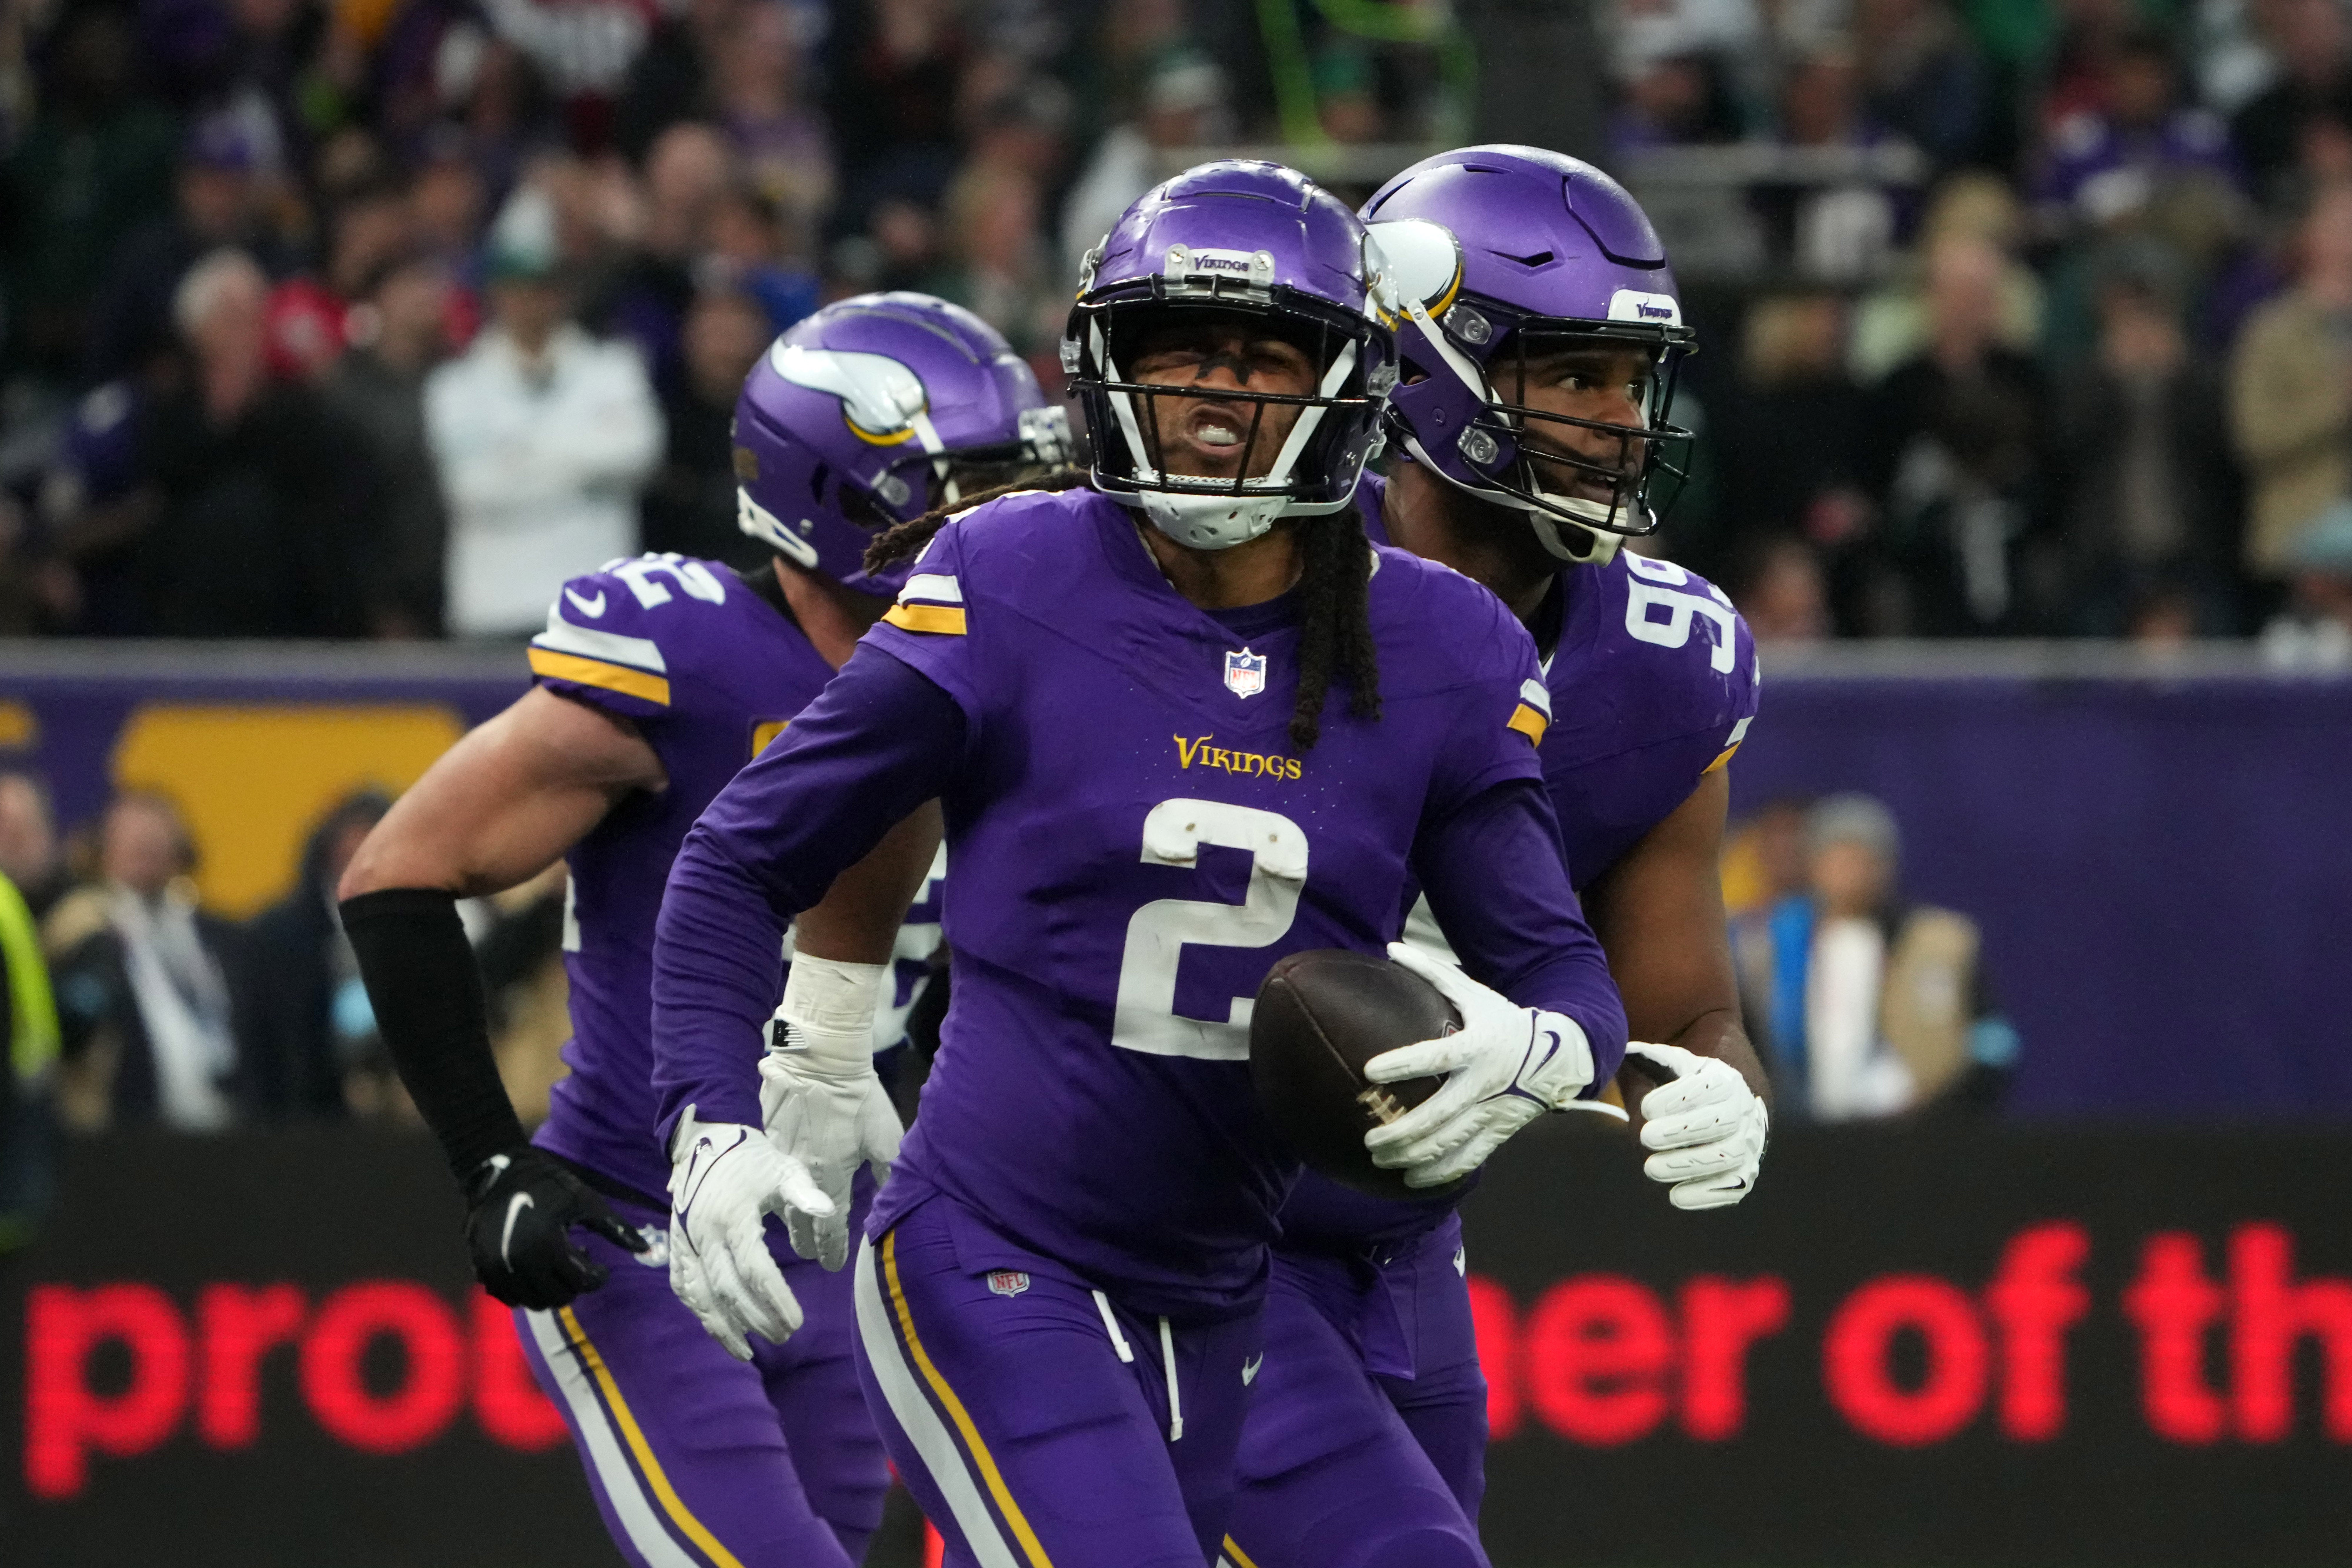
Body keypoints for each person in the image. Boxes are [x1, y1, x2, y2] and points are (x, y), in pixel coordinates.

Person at [646, 161, 1631, 1568]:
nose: (1213, 395)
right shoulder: (1008, 576)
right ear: (1105, 370)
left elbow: (1560, 974)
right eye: (1176, 350)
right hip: (993, 1257)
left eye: (1259, 357)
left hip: (1235, 1291)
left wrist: (1532, 1050)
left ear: (1349, 387)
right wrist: (714, 1120)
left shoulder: (1447, 650)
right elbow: (739, 858)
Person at [339, 291, 1071, 1568]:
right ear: (844, 494)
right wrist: (489, 1161)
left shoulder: (1008, 667)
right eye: (966, 491)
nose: (1003, 524)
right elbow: (397, 872)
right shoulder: (692, 656)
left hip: (843, 1246)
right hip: (646, 1232)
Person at [1217, 147, 1773, 1566]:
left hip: (1398, 1242)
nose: (1614, 421)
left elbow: (1673, 1010)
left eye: (1626, 381)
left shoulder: (1663, 662)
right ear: (1426, 368)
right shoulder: (1245, 571)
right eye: (1566, 376)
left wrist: (1720, 1085)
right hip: (1173, 1207)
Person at [425, 188, 663, 638]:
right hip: (492, 611)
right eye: (518, 285)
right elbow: (473, 489)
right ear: (496, 291)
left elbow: (638, 455)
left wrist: (521, 454)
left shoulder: (614, 368)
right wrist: (587, 461)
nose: (531, 299)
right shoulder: (455, 386)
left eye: (543, 285)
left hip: (598, 612)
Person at [1738, 793, 2018, 1118]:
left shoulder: (1940, 943)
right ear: (1814, 865)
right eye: (1838, 858)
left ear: (1887, 867)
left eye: (1864, 859)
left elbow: (1995, 1043)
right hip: (1799, 1129)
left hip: (1918, 1131)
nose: (1851, 872)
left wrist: (1948, 1102)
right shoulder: (1767, 944)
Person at [47, 793, 243, 1131]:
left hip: (226, 1130)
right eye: (135, 844)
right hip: (123, 1137)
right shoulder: (82, 928)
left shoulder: (213, 934)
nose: (148, 853)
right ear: (103, 851)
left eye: (157, 842)